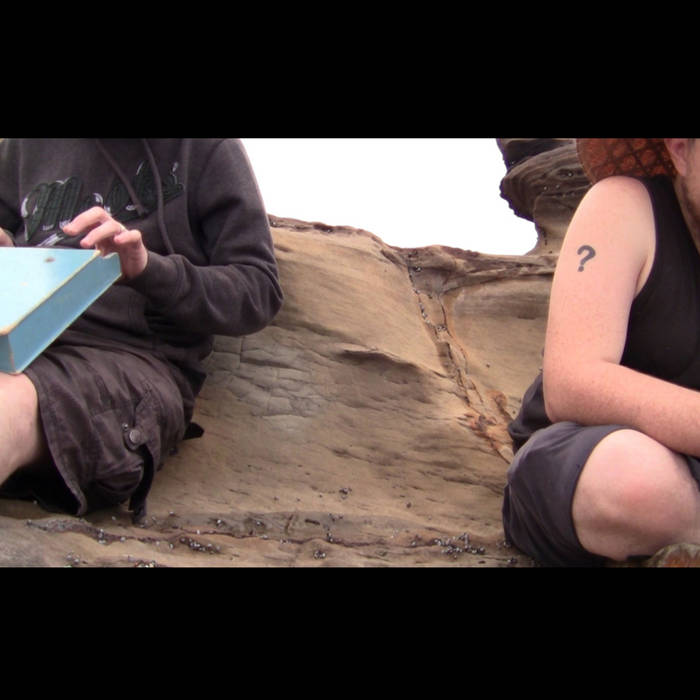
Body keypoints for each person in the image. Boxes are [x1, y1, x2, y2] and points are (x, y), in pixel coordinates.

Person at [0, 138, 283, 521]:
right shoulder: (23, 146)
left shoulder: (208, 149)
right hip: (19, 338)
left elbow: (258, 289)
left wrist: (149, 269)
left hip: (131, 362)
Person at [503, 138, 700, 566]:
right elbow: (573, 383)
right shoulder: (624, 206)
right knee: (632, 480)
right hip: (590, 458)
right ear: (681, 151)